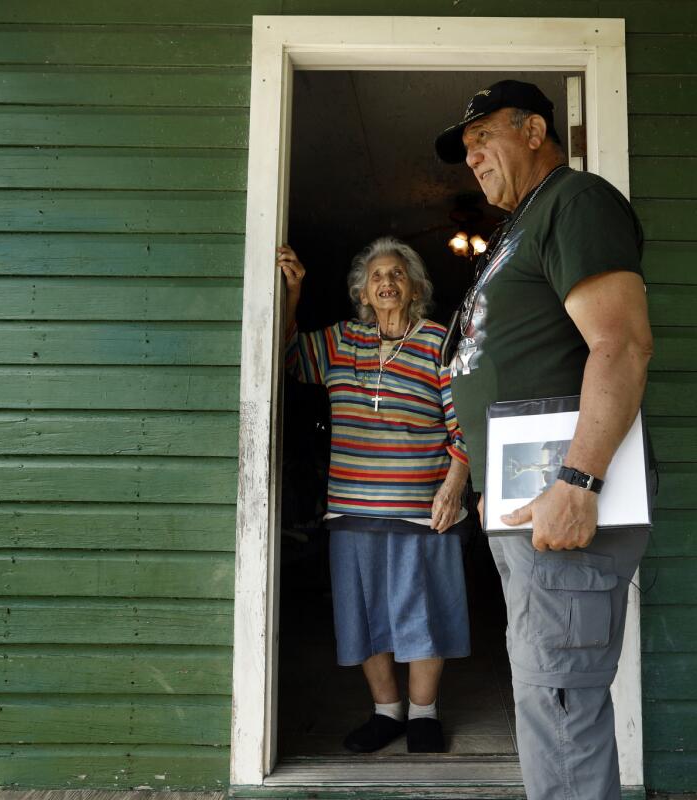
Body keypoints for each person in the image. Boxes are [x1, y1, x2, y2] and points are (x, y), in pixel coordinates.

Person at [434, 80, 655, 798]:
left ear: (534, 131)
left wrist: (579, 481)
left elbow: (619, 345)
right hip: (529, 502)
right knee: (544, 692)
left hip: (562, 498)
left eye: (483, 138)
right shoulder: (519, 227)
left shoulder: (574, 201)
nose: (472, 158)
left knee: (560, 701)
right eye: (464, 149)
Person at [277, 236, 471, 754]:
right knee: (363, 612)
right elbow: (288, 357)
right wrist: (293, 294)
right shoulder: (343, 341)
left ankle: (425, 714)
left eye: (398, 274)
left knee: (422, 610)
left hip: (421, 509)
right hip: (352, 507)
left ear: (415, 288)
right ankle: (388, 712)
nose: (387, 282)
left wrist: (453, 489)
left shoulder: (438, 342)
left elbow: (465, 426)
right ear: (363, 291)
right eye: (377, 275)